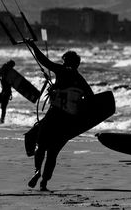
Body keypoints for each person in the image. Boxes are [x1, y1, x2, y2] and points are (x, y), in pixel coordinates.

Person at [26, 41, 93, 191]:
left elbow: (44, 61)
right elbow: (90, 97)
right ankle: (44, 182)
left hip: (53, 116)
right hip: (68, 121)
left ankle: (37, 171)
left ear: (67, 62)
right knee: (53, 152)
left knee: (41, 146)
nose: (63, 63)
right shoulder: (80, 79)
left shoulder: (61, 71)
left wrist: (33, 46)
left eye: (64, 61)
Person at [0, 58, 15, 123]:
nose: (6, 64)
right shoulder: (4, 71)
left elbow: (11, 82)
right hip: (3, 92)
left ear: (10, 66)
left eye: (8, 63)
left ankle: (2, 121)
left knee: (3, 107)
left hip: (7, 93)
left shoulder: (10, 74)